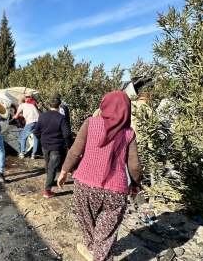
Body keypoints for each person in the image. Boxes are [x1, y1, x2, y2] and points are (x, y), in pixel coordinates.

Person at [57, 91, 141, 261]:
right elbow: (134, 165)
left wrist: (64, 171)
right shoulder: (128, 133)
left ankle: (92, 249)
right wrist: (135, 184)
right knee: (107, 232)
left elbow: (75, 151)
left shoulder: (91, 123)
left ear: (104, 105)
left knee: (86, 222)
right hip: (115, 191)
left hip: (85, 186)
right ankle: (100, 254)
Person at [34, 97, 72, 198]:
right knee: (52, 168)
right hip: (57, 146)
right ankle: (47, 191)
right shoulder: (61, 118)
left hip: (45, 146)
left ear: (49, 105)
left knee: (48, 165)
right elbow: (67, 134)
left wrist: (41, 139)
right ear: (59, 106)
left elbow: (36, 131)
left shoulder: (42, 116)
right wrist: (68, 145)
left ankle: (49, 181)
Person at [13, 92, 40, 159]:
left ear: (19, 102)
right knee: (36, 138)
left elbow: (16, 116)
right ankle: (33, 154)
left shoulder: (21, 106)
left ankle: (22, 153)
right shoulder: (31, 105)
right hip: (38, 121)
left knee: (24, 137)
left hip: (30, 121)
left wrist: (13, 117)